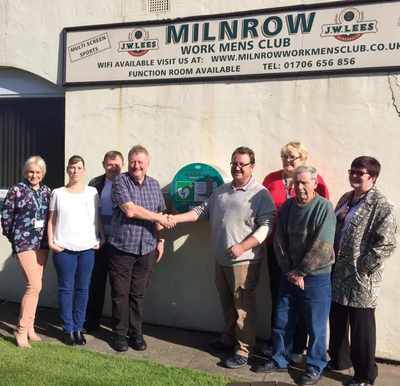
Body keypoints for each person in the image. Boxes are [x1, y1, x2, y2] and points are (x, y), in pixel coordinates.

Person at [169, 146, 276, 369]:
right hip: (221, 260)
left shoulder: (260, 194)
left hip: (244, 262)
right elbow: (200, 212)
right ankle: (228, 339)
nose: (237, 167)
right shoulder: (221, 191)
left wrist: (242, 246)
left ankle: (245, 350)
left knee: (243, 308)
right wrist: (174, 219)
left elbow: (267, 226)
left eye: (242, 164)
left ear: (252, 167)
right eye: (234, 163)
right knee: (227, 305)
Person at [254, 165, 335, 386]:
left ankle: (315, 366)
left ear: (315, 184)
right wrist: (291, 271)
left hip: (316, 277)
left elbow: (323, 245)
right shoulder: (288, 206)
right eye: (296, 183)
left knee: (315, 326)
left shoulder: (324, 207)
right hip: (289, 275)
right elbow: (279, 240)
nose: (299, 187)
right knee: (282, 320)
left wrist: (301, 272)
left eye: (304, 182)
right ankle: (280, 359)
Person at [328, 156, 397, 386]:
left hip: (361, 278)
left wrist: (364, 266)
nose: (354, 175)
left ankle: (365, 375)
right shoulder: (347, 198)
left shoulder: (381, 205)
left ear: (373, 177)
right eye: (352, 171)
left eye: (360, 172)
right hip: (338, 272)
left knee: (361, 329)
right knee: (337, 320)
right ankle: (339, 360)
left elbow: (387, 243)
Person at [262, 140, 329, 363]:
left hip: (310, 262)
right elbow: (274, 228)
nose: (288, 160)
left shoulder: (319, 194)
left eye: (293, 157)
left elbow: (322, 234)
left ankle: (305, 355)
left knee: (310, 313)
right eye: (285, 156)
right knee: (281, 307)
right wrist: (290, 269)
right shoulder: (273, 183)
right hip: (281, 255)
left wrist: (300, 271)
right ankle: (279, 350)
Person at [108, 145, 172, 352]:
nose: (136, 166)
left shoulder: (154, 185)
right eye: (133, 161)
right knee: (120, 292)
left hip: (147, 248)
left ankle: (135, 332)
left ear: (148, 164)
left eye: (140, 162)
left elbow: (159, 212)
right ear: (128, 163)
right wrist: (159, 218)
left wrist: (161, 241)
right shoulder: (120, 181)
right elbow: (130, 210)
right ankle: (119, 333)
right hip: (122, 248)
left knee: (138, 293)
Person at [48, 155, 105, 346]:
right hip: (63, 248)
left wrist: (102, 237)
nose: (75, 171)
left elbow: (97, 217)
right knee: (65, 289)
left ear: (84, 170)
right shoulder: (58, 193)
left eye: (79, 167)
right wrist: (50, 242)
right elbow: (52, 220)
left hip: (88, 248)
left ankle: (78, 328)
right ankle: (67, 329)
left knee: (83, 289)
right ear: (67, 169)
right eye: (72, 167)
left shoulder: (92, 192)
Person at [1, 156, 51, 348]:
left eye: (38, 172)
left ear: (43, 174)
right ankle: (20, 330)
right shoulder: (17, 190)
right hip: (24, 242)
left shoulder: (47, 192)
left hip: (42, 243)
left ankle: (30, 326)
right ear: (26, 172)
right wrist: (13, 237)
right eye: (31, 171)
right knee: (34, 285)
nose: (34, 175)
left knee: (36, 287)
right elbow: (6, 216)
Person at [84, 151, 125, 334]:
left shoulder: (128, 183)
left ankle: (120, 329)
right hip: (98, 243)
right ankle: (91, 323)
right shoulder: (95, 184)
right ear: (103, 164)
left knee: (119, 289)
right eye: (110, 164)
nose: (113, 167)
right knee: (96, 285)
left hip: (120, 243)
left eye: (116, 164)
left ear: (122, 165)